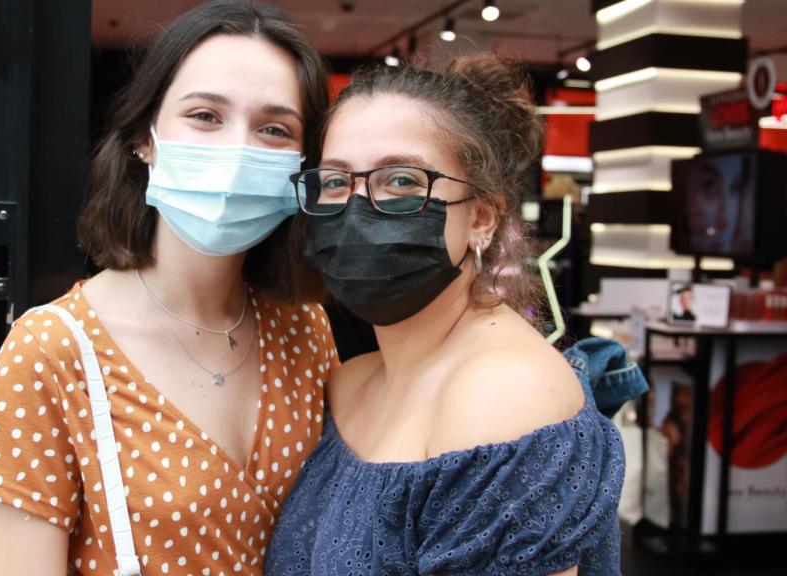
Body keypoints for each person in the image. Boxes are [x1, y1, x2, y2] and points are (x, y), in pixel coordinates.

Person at [0, 2, 337, 574]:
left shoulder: (304, 330)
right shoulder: (53, 352)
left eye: (274, 129)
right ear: (144, 139)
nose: (235, 150)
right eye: (205, 116)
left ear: (303, 166)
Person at [266, 55, 645, 575]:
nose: (356, 209)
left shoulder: (506, 397)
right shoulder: (351, 381)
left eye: (401, 180)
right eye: (335, 181)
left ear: (482, 218)